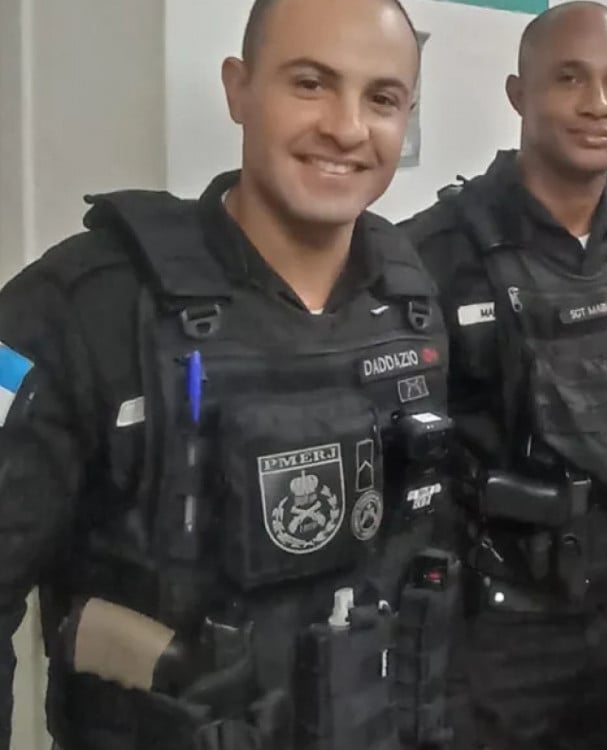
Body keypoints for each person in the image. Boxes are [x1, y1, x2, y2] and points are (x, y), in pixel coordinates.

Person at [0, 1, 458, 748]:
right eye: (310, 83)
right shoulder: (81, 307)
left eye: (381, 98)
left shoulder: (411, 298)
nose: (347, 128)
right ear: (237, 89)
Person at [399, 3, 607, 748]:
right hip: (487, 635)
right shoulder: (434, 256)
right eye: (569, 79)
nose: (598, 105)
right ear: (519, 94)